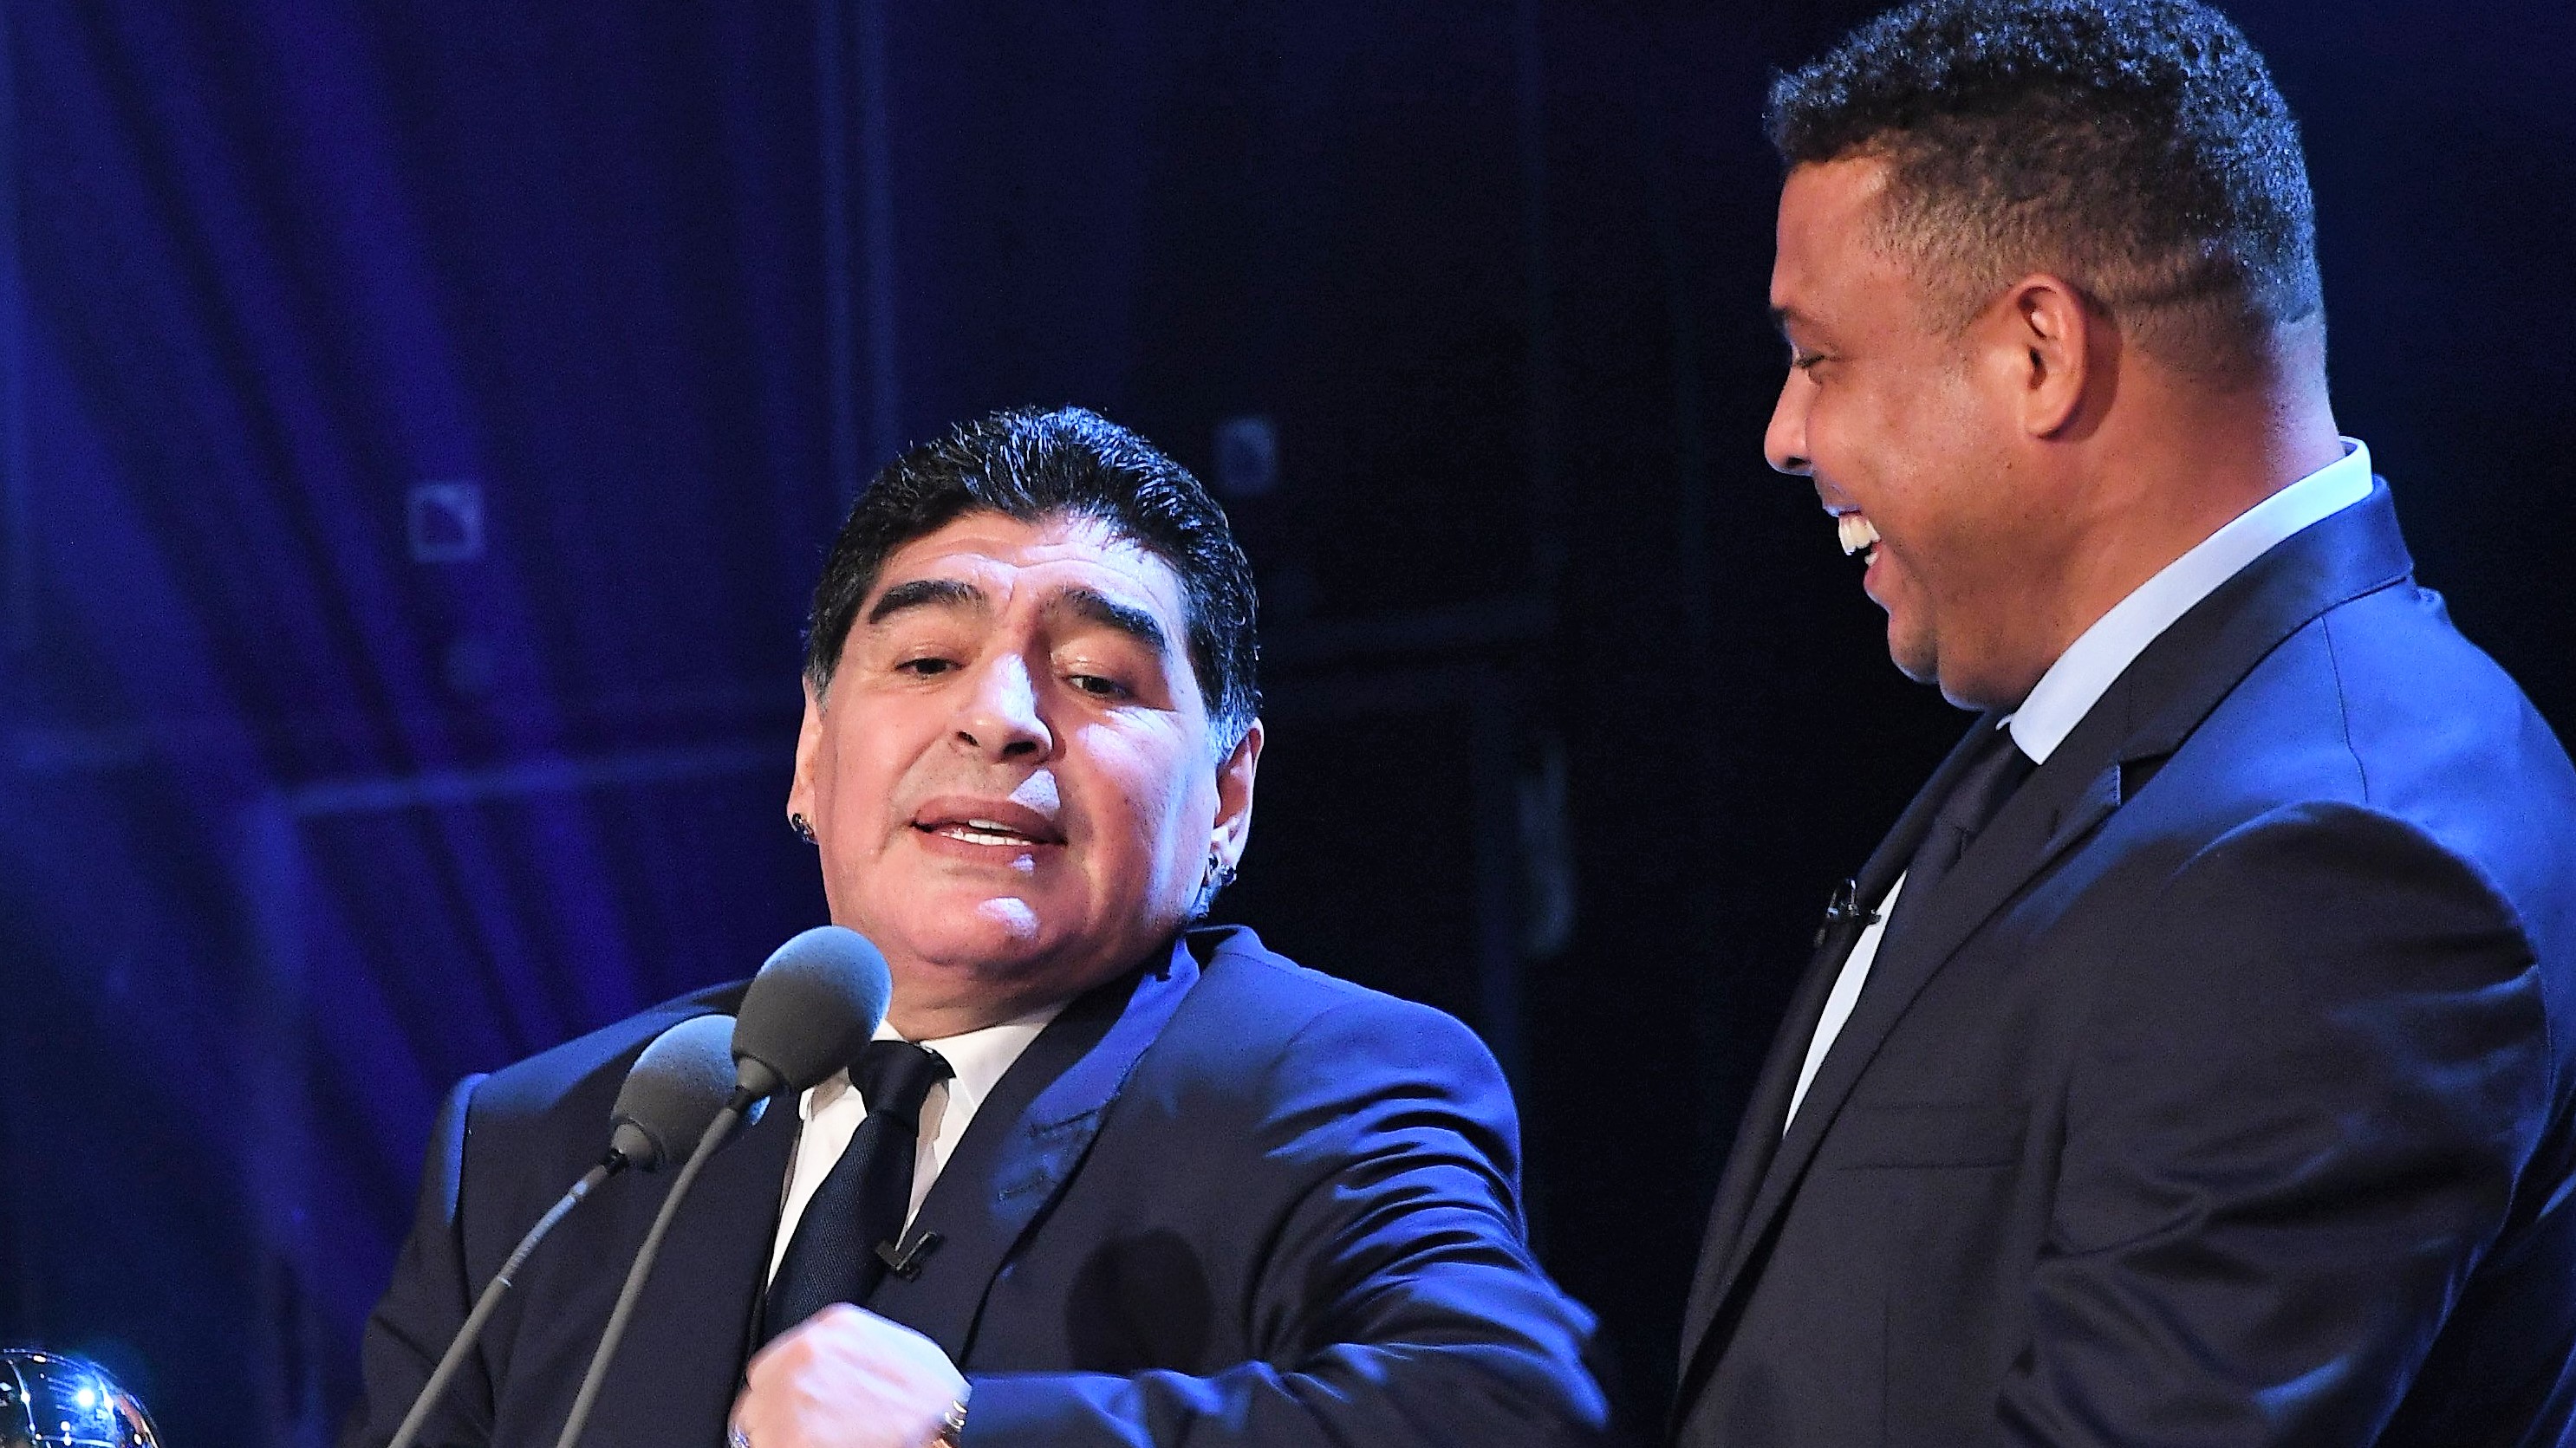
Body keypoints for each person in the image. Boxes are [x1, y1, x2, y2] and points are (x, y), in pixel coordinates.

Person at [346, 406, 1610, 1448]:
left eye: (1098, 679)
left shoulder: (1325, 1082)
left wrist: (966, 1435)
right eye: (925, 662)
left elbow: (1502, 1415)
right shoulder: (548, 1144)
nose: (1001, 718)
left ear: (1228, 796)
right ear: (811, 751)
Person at [1670, 3, 2576, 1445]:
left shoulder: (2338, 863)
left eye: (1820, 357)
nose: (1786, 435)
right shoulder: (2144, 725)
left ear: (2041, 352)